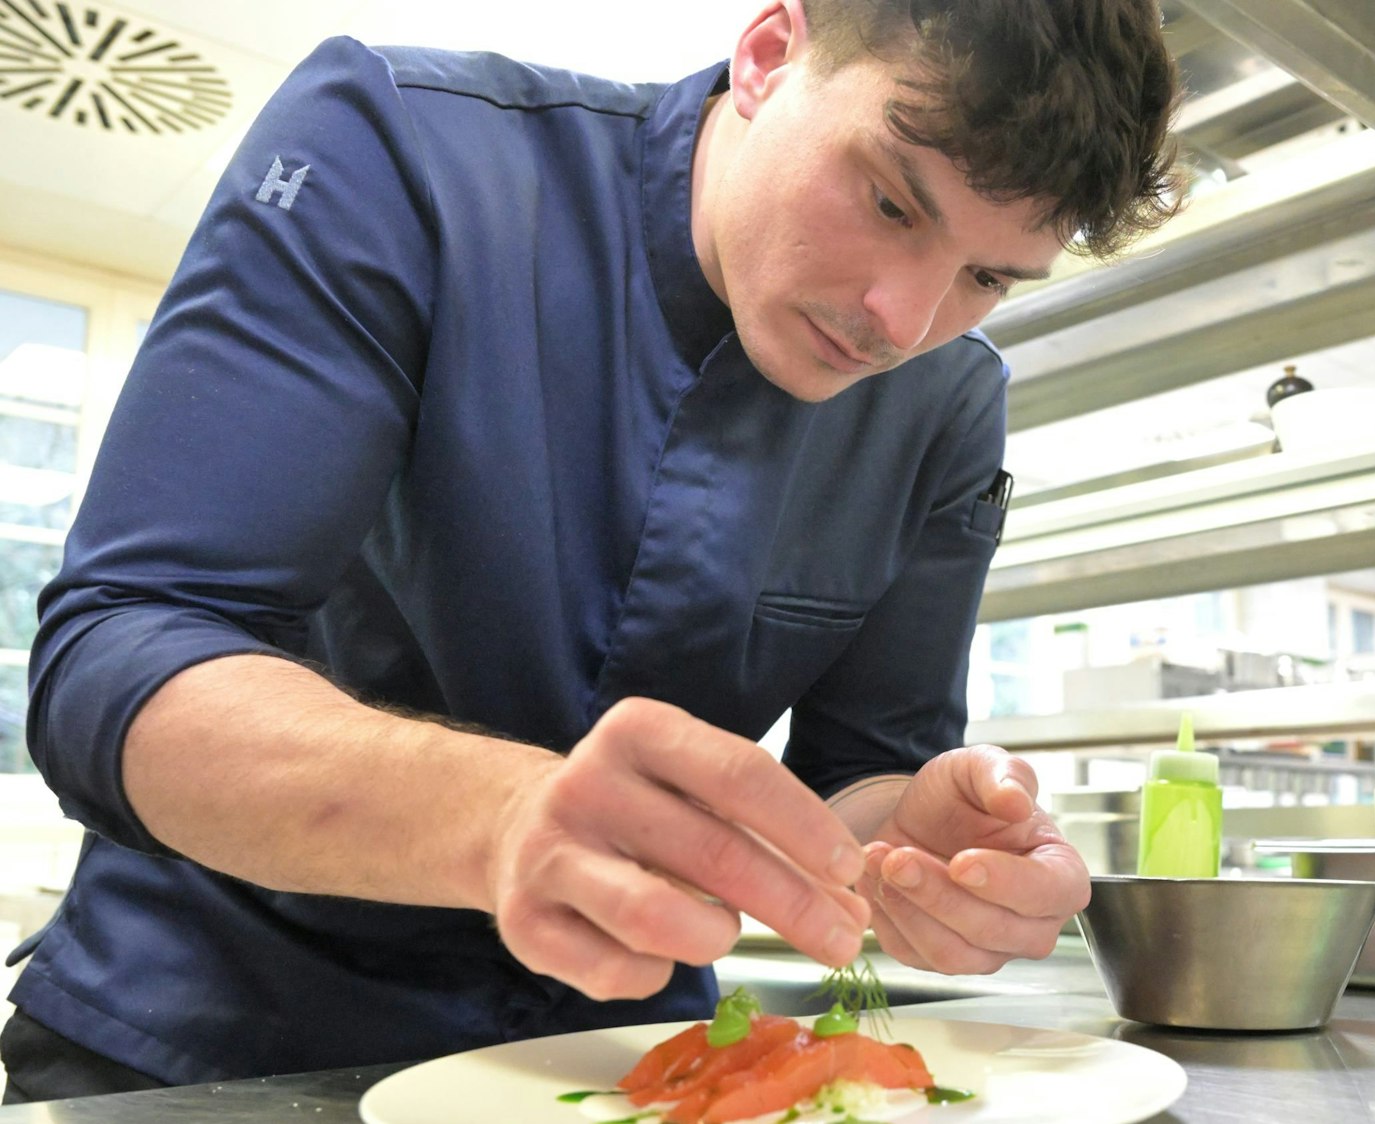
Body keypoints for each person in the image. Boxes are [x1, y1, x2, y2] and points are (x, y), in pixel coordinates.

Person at [0, 0, 1180, 1103]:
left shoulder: (947, 400)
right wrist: (499, 813)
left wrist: (916, 857)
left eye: (984, 276)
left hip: (629, 1068)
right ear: (769, 55)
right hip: (212, 1043)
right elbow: (119, 657)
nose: (900, 320)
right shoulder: (405, 152)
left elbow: (860, 773)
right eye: (889, 203)